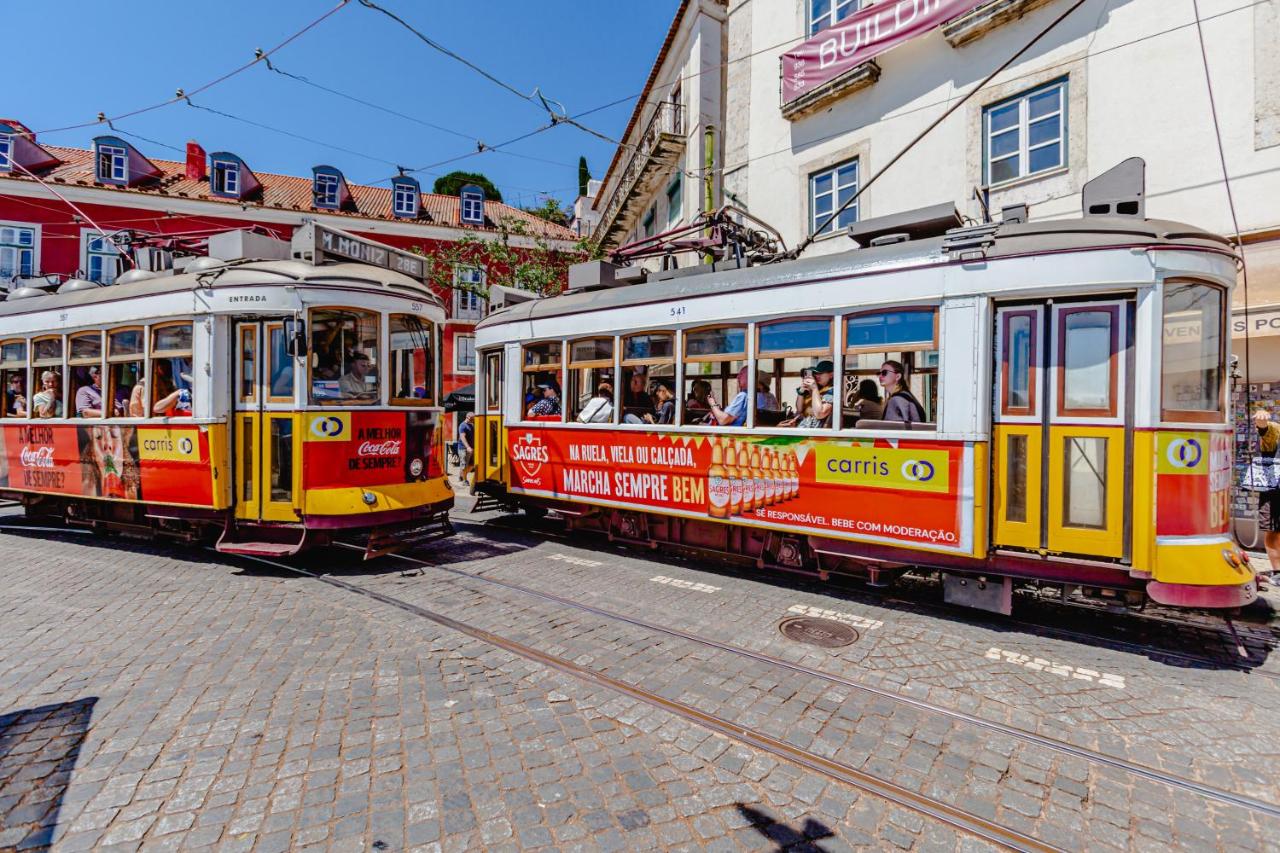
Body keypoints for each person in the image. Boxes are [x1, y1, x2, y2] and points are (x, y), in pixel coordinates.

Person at [1252, 409, 1280, 584]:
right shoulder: (1276, 429)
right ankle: (1278, 571)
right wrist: (1261, 419)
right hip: (1274, 490)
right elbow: (1264, 429)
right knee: (1273, 530)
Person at [783, 360, 834, 428]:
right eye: (816, 373)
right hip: (805, 428)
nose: (817, 376)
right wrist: (801, 391)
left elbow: (820, 413)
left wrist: (814, 388)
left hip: (815, 431)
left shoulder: (832, 390)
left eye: (821, 373)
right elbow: (799, 410)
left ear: (831, 375)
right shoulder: (819, 390)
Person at [457, 412, 476, 486]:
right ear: (467, 417)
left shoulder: (471, 425)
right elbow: (462, 437)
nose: (473, 420)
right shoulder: (462, 425)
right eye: (472, 419)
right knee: (464, 465)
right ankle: (465, 481)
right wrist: (467, 447)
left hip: (471, 448)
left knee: (472, 464)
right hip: (463, 448)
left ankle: (461, 475)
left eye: (473, 419)